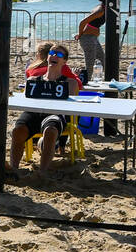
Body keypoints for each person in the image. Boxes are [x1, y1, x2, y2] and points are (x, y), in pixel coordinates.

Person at [9, 43, 82, 172]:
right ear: (47, 57)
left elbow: (73, 106)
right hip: (34, 113)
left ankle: (43, 172)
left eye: (59, 54)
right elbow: (25, 102)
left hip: (55, 114)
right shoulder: (33, 79)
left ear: (64, 61)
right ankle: (13, 169)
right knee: (17, 131)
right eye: (52, 53)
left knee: (50, 131)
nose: (54, 56)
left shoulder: (70, 83)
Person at [77, 0, 107, 80]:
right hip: (87, 39)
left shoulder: (103, 8)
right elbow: (83, 22)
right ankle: (83, 87)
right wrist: (80, 34)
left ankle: (103, 81)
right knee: (89, 67)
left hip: (93, 38)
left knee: (102, 61)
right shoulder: (100, 11)